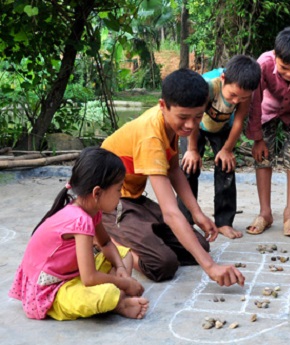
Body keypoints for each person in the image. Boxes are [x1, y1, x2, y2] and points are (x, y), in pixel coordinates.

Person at [101, 68, 245, 287]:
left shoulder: (171, 125)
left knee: (198, 246)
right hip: (109, 204)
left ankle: (136, 230)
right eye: (183, 117)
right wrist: (210, 267)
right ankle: (105, 242)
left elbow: (174, 170)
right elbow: (170, 212)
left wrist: (196, 213)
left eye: (198, 117)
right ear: (162, 106)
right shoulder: (150, 135)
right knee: (162, 264)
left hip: (133, 198)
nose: (190, 125)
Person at [9, 147, 149, 320]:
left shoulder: (91, 211)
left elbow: (105, 243)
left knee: (124, 255)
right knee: (104, 293)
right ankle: (119, 303)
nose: (120, 195)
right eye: (118, 189)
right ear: (97, 192)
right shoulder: (80, 221)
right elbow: (89, 278)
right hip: (51, 289)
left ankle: (116, 296)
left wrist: (120, 268)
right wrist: (124, 282)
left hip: (73, 273)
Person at [245, 27, 290, 237]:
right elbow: (254, 103)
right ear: (275, 56)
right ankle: (265, 213)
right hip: (267, 110)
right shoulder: (263, 63)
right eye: (285, 68)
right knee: (263, 156)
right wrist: (257, 138)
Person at [178, 55, 261, 239]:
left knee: (226, 167)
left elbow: (239, 121)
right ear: (223, 79)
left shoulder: (244, 93)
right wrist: (191, 150)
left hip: (222, 128)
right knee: (188, 169)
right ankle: (185, 220)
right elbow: (192, 117)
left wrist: (227, 150)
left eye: (242, 98)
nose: (236, 101)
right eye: (232, 95)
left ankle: (224, 222)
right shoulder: (207, 85)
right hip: (195, 127)